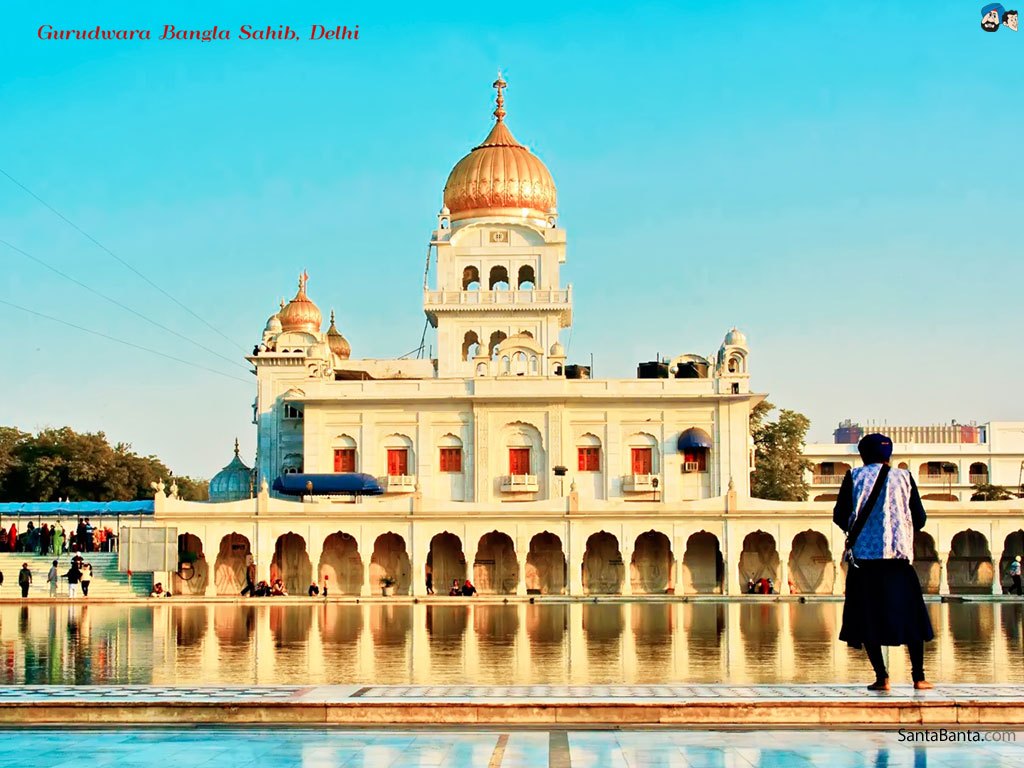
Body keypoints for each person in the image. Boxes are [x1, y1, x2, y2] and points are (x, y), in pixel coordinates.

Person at [834, 433, 934, 691]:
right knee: (911, 619)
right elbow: (920, 518)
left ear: (862, 454)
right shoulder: (905, 477)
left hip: (865, 563)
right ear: (889, 454)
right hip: (898, 561)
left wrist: (861, 531)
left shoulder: (854, 477)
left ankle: (882, 678)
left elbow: (840, 516)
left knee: (868, 619)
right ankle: (919, 678)